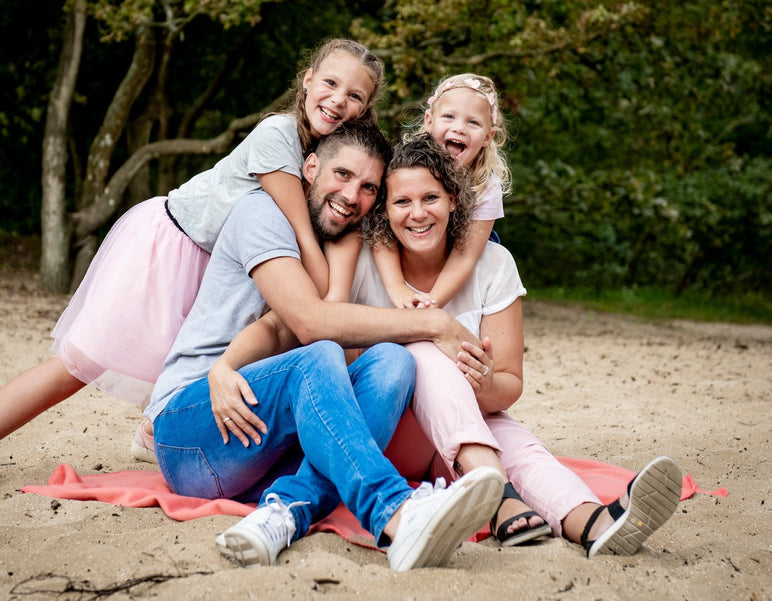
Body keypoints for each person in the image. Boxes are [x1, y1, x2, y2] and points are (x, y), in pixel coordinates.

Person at [0, 38, 386, 491]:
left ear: (365, 110)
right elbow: (303, 237)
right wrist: (330, 301)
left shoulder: (326, 158)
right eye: (330, 84)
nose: (339, 100)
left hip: (220, 264)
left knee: (217, 352)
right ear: (306, 81)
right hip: (171, 248)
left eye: (355, 95)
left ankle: (154, 432)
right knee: (77, 367)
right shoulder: (277, 135)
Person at [149, 120, 509, 572]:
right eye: (342, 175)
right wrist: (224, 367)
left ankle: (284, 512)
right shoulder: (263, 213)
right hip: (194, 428)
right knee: (320, 351)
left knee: (393, 361)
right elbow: (302, 324)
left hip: (266, 450)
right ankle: (395, 512)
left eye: (367, 188)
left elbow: (305, 328)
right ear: (311, 167)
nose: (352, 195)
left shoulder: (339, 238)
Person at [352, 137, 682, 556]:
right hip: (390, 436)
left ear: (453, 200)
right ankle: (499, 495)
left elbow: (509, 385)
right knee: (419, 348)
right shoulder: (364, 265)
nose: (417, 214)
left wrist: (485, 383)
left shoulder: (493, 265)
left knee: (512, 439)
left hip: (462, 434)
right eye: (402, 202)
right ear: (385, 208)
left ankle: (592, 522)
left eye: (430, 197)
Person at [372, 73, 510, 310]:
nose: (459, 128)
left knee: (491, 253)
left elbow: (465, 257)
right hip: (409, 243)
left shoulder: (486, 184)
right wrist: (397, 287)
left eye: (473, 122)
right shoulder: (404, 167)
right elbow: (379, 231)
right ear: (429, 121)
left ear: (488, 136)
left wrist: (430, 307)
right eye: (448, 116)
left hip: (464, 249)